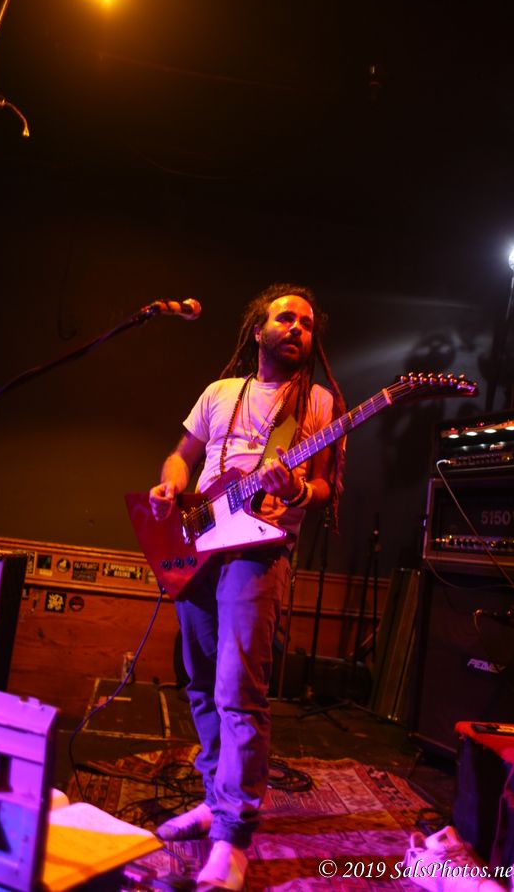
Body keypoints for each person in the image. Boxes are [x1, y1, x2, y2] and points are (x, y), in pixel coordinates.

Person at [148, 283, 346, 891]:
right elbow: (182, 455)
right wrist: (169, 485)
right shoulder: (220, 392)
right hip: (199, 543)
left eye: (307, 323)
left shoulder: (318, 403)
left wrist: (298, 490)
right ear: (258, 329)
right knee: (201, 682)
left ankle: (233, 835)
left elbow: (326, 487)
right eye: (285, 317)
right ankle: (215, 799)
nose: (297, 328)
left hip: (260, 551)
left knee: (238, 689)